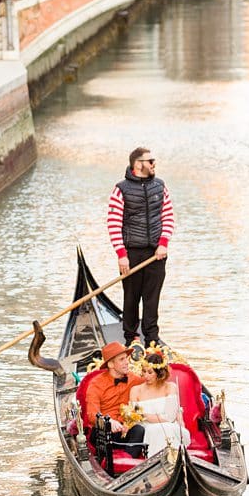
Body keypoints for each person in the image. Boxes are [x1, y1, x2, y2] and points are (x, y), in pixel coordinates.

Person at [107, 146, 176, 347]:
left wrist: (163, 243)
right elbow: (113, 223)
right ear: (138, 164)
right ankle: (131, 337)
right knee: (131, 297)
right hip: (131, 253)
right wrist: (121, 254)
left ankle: (152, 338)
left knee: (152, 299)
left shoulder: (160, 186)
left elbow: (168, 217)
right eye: (150, 161)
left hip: (156, 253)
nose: (154, 164)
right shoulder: (120, 190)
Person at [83, 341, 148, 451]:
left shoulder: (133, 379)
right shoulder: (96, 384)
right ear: (111, 364)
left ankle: (129, 461)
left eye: (126, 358)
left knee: (139, 430)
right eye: (122, 359)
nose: (127, 362)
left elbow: (152, 383)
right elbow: (92, 414)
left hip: (126, 428)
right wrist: (108, 422)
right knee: (104, 432)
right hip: (104, 431)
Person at [128, 348, 193, 456]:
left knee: (166, 428)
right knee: (158, 430)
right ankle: (164, 458)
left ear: (159, 373)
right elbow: (134, 418)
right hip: (146, 429)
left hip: (171, 426)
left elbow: (170, 417)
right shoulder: (135, 390)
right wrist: (141, 417)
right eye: (144, 371)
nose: (145, 376)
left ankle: (173, 456)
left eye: (150, 372)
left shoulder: (170, 387)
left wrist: (143, 414)